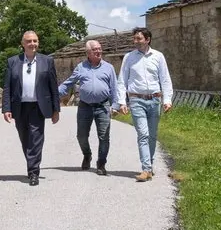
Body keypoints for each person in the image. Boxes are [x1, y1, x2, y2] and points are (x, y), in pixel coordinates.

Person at [2, 30, 60, 186]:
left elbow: (53, 86)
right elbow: (7, 87)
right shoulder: (13, 61)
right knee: (25, 138)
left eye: (35, 41)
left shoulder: (47, 61)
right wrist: (6, 108)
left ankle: (33, 172)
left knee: (35, 139)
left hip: (38, 106)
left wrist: (56, 109)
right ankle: (32, 164)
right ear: (23, 44)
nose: (32, 44)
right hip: (19, 106)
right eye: (29, 41)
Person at [116, 27, 173, 182]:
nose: (136, 41)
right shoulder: (129, 57)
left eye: (139, 38)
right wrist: (122, 101)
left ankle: (150, 165)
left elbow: (165, 79)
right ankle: (146, 169)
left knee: (152, 135)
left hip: (155, 100)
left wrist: (167, 100)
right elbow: (122, 80)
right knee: (143, 134)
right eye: (134, 39)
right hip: (136, 100)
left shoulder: (158, 56)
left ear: (147, 39)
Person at [57, 39, 118, 176]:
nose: (98, 51)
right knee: (81, 136)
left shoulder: (109, 68)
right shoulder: (81, 67)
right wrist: (53, 94)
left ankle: (101, 163)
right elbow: (68, 84)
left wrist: (115, 105)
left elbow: (114, 88)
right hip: (85, 106)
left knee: (104, 137)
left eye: (99, 48)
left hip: (103, 106)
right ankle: (87, 155)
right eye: (95, 49)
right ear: (88, 53)